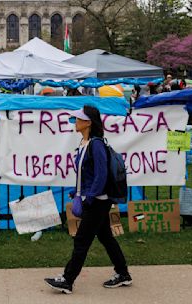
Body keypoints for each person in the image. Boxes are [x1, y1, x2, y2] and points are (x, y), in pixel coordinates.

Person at [44, 105, 131, 294]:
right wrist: (78, 192)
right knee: (106, 237)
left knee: (82, 239)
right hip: (93, 198)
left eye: (79, 119)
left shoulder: (96, 144)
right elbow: (87, 174)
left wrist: (89, 198)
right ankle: (123, 273)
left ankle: (68, 280)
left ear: (88, 122)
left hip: (98, 200)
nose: (75, 122)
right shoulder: (84, 144)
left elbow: (101, 176)